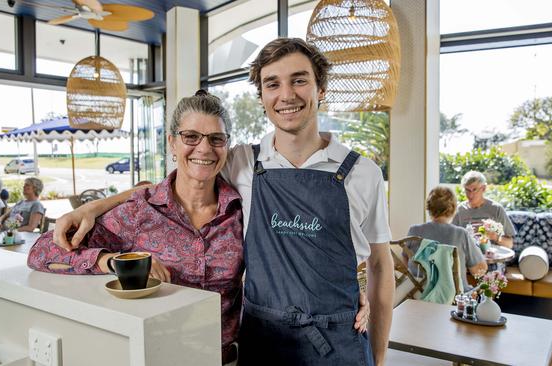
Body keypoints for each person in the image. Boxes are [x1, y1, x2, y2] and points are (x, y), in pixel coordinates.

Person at [51, 38, 393, 366]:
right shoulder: (243, 162)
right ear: (262, 97)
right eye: (272, 84)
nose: (286, 95)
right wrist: (91, 208)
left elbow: (379, 266)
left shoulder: (362, 174)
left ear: (321, 89)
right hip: (263, 343)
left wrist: (378, 357)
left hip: (338, 342)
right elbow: (175, 182)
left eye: (299, 80)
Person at [28, 91, 244, 365]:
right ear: (172, 143)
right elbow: (42, 251)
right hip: (156, 355)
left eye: (216, 138)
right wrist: (118, 261)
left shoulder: (240, 210)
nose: (204, 148)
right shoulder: (140, 211)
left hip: (226, 358)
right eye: (191, 137)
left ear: (226, 146)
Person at [407, 186, 487, 290]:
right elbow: (479, 271)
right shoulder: (461, 234)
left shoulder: (414, 230)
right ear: (453, 208)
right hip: (453, 296)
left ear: (428, 207)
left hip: (418, 293)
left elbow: (406, 259)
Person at [452, 171, 516, 249]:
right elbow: (452, 239)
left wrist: (495, 237)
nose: (470, 195)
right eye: (467, 190)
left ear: (484, 188)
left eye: (474, 190)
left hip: (492, 257)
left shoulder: (496, 209)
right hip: (468, 257)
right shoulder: (459, 210)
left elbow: (510, 244)